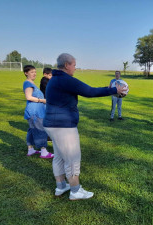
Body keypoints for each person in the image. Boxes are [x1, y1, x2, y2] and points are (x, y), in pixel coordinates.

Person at [43, 53, 127, 200]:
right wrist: (114, 90)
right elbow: (89, 91)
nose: (75, 68)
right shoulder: (64, 79)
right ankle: (75, 191)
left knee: (59, 157)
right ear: (67, 65)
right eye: (74, 65)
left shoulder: (54, 79)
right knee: (72, 158)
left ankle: (61, 186)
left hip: (52, 124)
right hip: (63, 127)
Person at [22, 65, 54, 159]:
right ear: (26, 73)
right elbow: (28, 97)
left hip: (35, 111)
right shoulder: (28, 83)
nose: (34, 74)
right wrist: (43, 100)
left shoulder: (31, 83)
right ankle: (44, 152)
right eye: (32, 72)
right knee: (41, 130)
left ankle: (30, 149)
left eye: (35, 72)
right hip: (35, 112)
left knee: (32, 130)